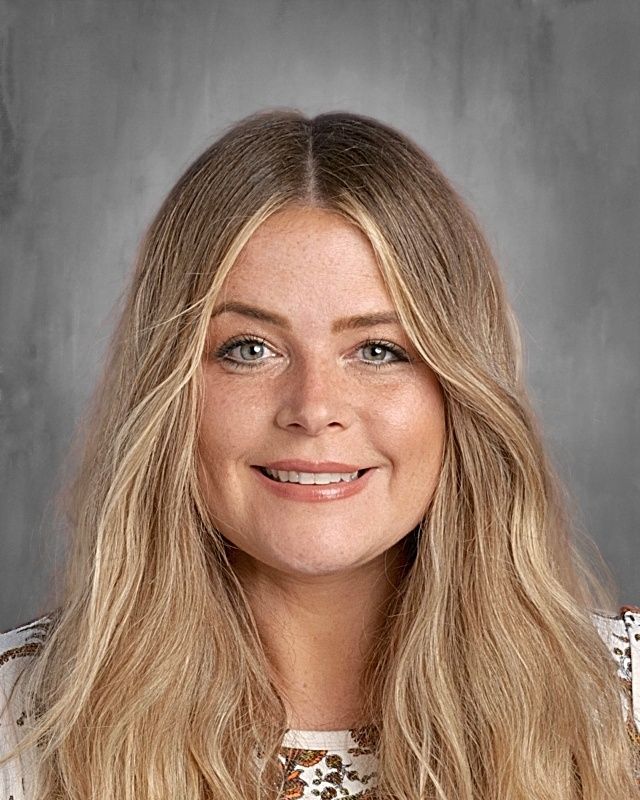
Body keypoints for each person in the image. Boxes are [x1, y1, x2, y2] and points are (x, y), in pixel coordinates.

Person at [0, 109, 638, 800]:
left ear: (460, 394)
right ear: (170, 391)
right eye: (250, 349)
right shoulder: (18, 724)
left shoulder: (621, 706)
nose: (313, 408)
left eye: (378, 350)